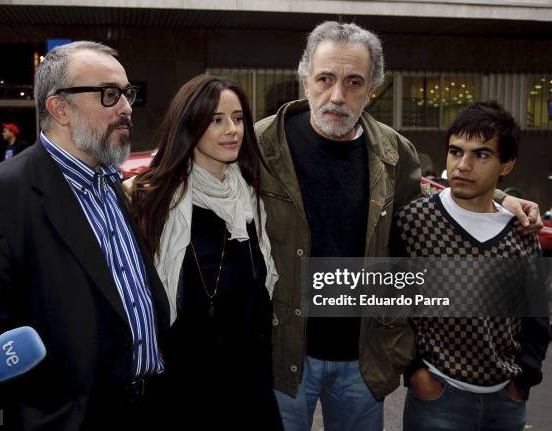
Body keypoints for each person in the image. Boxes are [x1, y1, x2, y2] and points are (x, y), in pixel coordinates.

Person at [254, 21, 544, 431]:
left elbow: (433, 195)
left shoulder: (395, 151)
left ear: (373, 88)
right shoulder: (260, 145)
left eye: (354, 81)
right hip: (283, 355)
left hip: (363, 357)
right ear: (305, 81)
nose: (337, 95)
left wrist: (500, 198)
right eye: (325, 78)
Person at [0, 41, 168, 429]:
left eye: (127, 95)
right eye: (109, 95)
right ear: (59, 108)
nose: (127, 108)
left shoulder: (111, 185)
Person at [127, 74, 283, 429]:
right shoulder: (151, 200)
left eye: (239, 118)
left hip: (250, 384)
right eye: (217, 120)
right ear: (190, 125)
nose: (232, 130)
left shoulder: (252, 199)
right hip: (185, 388)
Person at [396, 101, 550, 430]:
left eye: (480, 155)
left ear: (506, 164)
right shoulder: (415, 220)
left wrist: (521, 385)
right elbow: (393, 303)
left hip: (505, 405)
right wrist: (416, 373)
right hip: (436, 399)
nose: (463, 165)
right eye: (455, 152)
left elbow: (536, 317)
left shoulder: (522, 231)